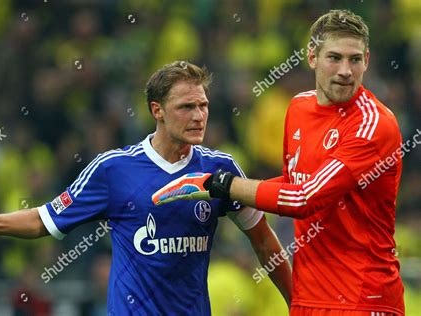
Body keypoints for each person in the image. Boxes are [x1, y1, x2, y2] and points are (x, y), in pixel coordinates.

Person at [0, 61, 292, 315]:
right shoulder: (113, 169)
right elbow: (44, 220)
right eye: (186, 107)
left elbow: (263, 241)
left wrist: (298, 303)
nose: (198, 116)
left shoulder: (220, 168)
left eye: (203, 105)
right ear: (157, 111)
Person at [153, 10, 405, 316]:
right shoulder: (298, 107)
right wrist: (220, 189)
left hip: (363, 300)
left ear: (367, 59)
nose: (345, 71)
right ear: (312, 57)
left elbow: (303, 198)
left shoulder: (373, 124)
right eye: (334, 57)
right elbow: (291, 183)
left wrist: (221, 184)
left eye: (355, 59)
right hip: (307, 299)